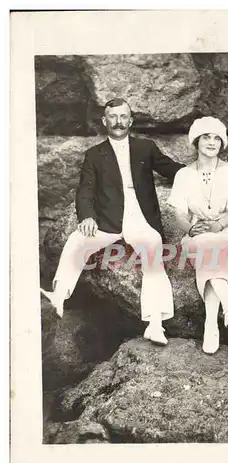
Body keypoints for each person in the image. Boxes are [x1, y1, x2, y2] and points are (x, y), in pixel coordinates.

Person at [41, 97, 184, 346]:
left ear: (131, 120)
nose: (119, 122)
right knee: (78, 239)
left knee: (153, 257)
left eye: (123, 116)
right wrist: (86, 216)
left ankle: (155, 325)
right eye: (113, 117)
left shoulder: (145, 147)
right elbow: (85, 190)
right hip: (108, 220)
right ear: (105, 121)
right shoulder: (94, 154)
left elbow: (172, 170)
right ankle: (58, 297)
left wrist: (206, 174)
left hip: (141, 219)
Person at [167, 116, 228, 354]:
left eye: (217, 138)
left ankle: (210, 324)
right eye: (206, 137)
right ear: (196, 141)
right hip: (200, 233)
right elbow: (178, 213)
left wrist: (219, 225)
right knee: (206, 246)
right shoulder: (184, 175)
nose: (212, 142)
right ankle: (227, 308)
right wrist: (189, 228)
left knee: (209, 251)